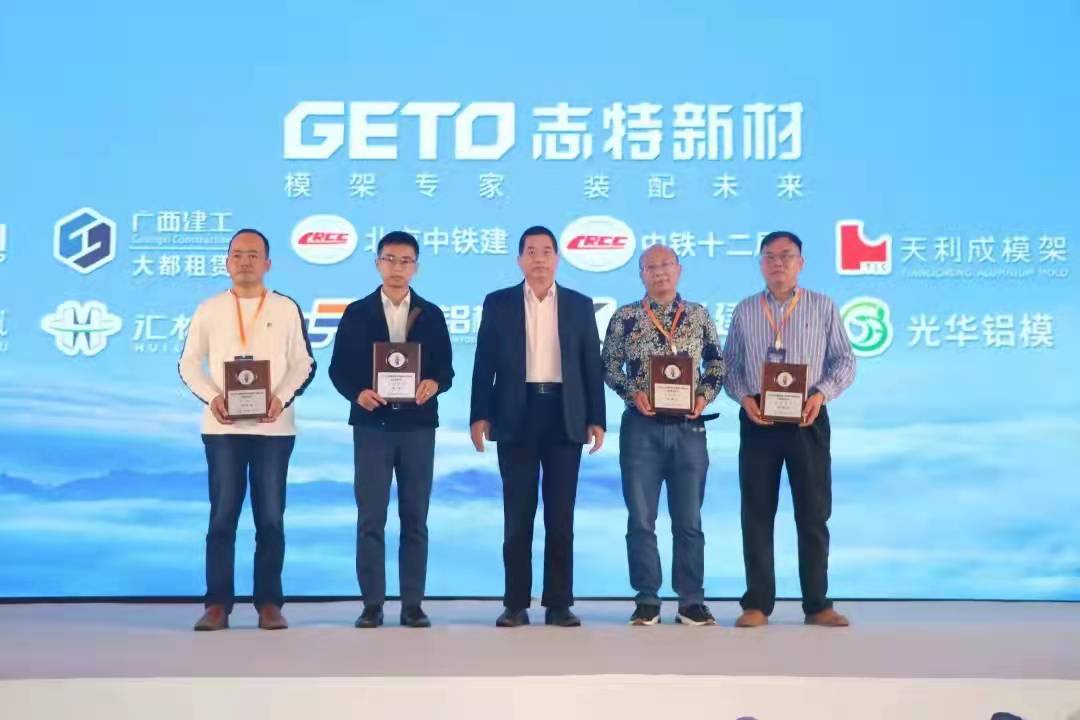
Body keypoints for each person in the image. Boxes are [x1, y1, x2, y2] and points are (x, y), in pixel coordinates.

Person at [469, 225, 606, 628]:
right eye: (531, 251)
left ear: (557, 259)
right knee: (518, 516)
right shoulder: (499, 303)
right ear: (519, 259)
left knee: (561, 518)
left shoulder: (580, 305)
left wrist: (596, 418)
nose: (539, 259)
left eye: (546, 251)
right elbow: (484, 363)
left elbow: (591, 366)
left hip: (565, 414)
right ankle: (515, 603)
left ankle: (559, 603)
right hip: (516, 413)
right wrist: (479, 415)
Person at [179, 228, 315, 631]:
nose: (245, 261)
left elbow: (304, 363)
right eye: (237, 254)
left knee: (270, 517)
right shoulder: (209, 309)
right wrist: (213, 397)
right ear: (226, 262)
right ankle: (217, 605)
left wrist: (280, 399)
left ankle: (269, 603)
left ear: (267, 263)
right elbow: (188, 363)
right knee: (222, 516)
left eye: (253, 254)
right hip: (223, 427)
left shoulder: (286, 308)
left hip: (274, 428)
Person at [723, 230, 856, 628]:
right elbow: (730, 364)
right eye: (770, 256)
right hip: (758, 420)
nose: (778, 262)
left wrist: (821, 394)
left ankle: (817, 604)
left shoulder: (822, 306)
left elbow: (845, 361)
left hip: (807, 420)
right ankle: (756, 604)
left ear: (801, 262)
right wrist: (744, 397)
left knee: (813, 515)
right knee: (756, 514)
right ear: (761, 263)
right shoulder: (746, 310)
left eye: (786, 255)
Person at [329, 231, 453, 629]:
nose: (397, 267)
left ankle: (413, 605)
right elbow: (338, 369)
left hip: (417, 428)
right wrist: (357, 393)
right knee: (371, 519)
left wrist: (434, 383)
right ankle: (372, 605)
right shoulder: (356, 312)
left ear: (416, 266)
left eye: (405, 261)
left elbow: (446, 370)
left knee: (415, 519)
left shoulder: (431, 314)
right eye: (390, 259)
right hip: (372, 426)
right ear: (377, 263)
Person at [602, 245, 725, 626]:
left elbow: (716, 363)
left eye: (666, 265)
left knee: (689, 521)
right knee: (641, 520)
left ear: (679, 269)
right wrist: (631, 393)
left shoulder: (699, 315)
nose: (659, 272)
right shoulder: (625, 317)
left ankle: (691, 601)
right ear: (641, 274)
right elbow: (609, 366)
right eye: (650, 267)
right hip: (641, 429)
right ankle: (647, 600)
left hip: (689, 429)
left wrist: (703, 397)